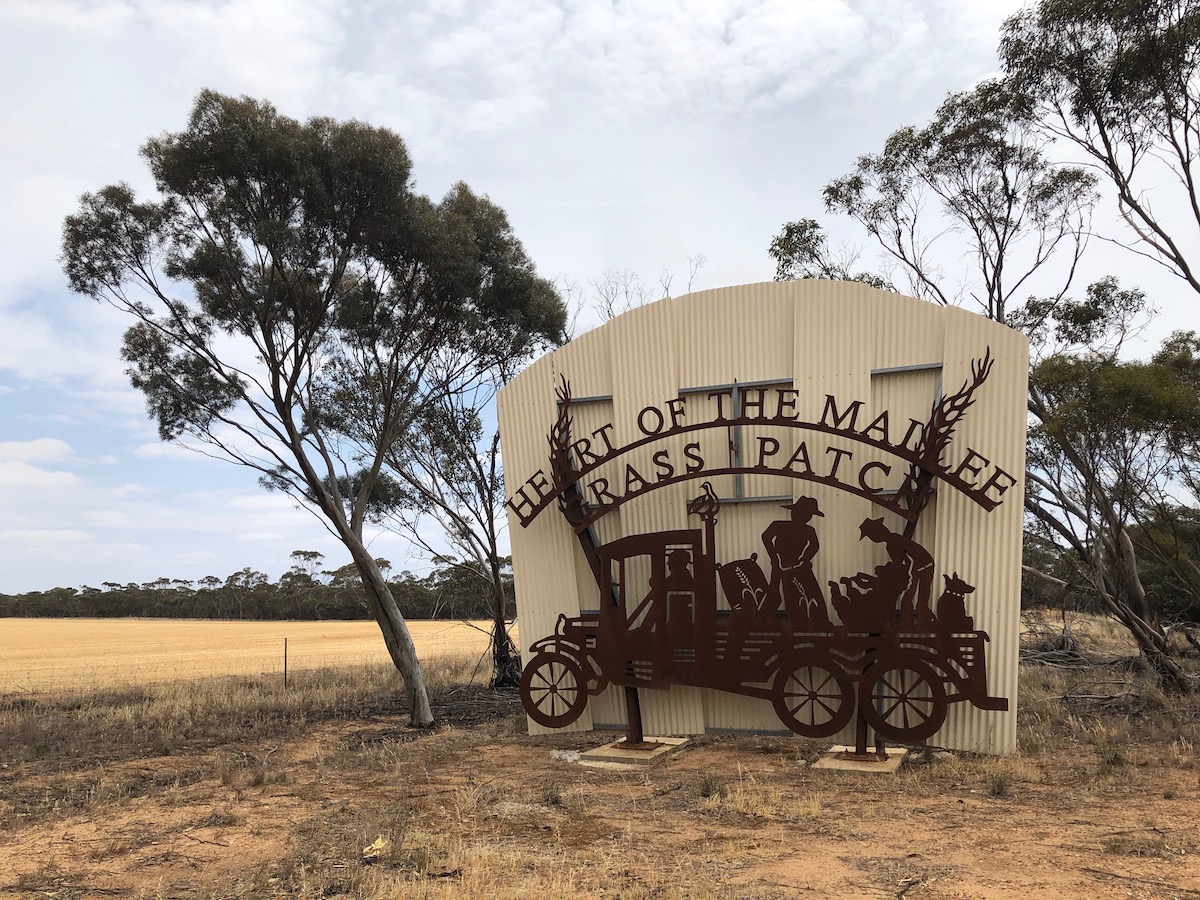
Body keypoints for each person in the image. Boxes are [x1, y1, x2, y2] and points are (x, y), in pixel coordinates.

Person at [762, 496, 830, 628]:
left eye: (807, 514)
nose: (804, 517)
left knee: (803, 592)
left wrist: (805, 558)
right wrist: (774, 557)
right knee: (774, 590)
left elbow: (814, 545)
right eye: (801, 513)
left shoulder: (808, 530)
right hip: (780, 564)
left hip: (797, 565)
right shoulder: (779, 525)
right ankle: (765, 617)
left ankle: (810, 619)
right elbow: (766, 536)